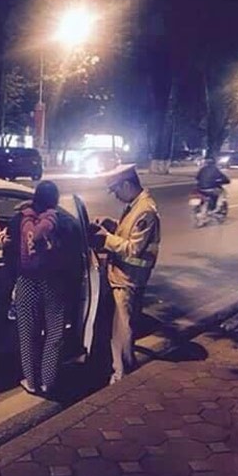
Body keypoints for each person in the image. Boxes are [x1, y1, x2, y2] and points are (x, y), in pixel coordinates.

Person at [0, 180, 81, 396]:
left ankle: (31, 381)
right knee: (54, 332)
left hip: (26, 281)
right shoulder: (63, 223)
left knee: (27, 334)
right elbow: (74, 257)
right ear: (55, 199)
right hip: (54, 283)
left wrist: (12, 282)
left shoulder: (18, 220)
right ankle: (48, 381)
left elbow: (9, 254)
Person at [91, 164, 160, 385]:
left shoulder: (145, 211)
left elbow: (133, 248)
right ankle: (122, 369)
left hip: (129, 278)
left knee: (123, 330)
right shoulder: (135, 206)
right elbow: (127, 232)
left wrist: (106, 239)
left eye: (116, 190)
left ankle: (123, 377)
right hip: (122, 276)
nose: (116, 196)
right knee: (119, 328)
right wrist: (112, 224)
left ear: (127, 184)